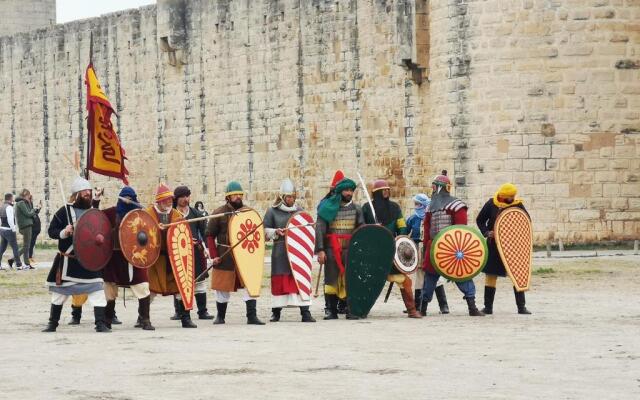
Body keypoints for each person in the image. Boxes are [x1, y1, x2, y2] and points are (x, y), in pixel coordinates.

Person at [42, 176, 110, 332]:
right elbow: (52, 231)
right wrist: (64, 232)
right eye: (85, 192)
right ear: (76, 194)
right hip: (69, 260)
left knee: (97, 289)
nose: (88, 194)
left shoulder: (92, 212)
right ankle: (52, 323)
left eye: (89, 192)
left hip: (89, 261)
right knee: (60, 294)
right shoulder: (64, 211)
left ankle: (100, 323)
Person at [420, 171, 484, 317]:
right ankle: (422, 308)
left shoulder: (456, 205)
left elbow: (461, 231)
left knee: (463, 276)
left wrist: (457, 247)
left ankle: (472, 307)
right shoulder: (430, 208)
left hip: (453, 249)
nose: (433, 190)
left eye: (434, 187)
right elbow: (427, 229)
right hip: (433, 247)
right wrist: (425, 250)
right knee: (429, 278)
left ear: (440, 188)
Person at [206, 181, 265, 325]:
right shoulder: (219, 213)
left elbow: (258, 232)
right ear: (228, 197)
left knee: (249, 283)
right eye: (234, 195)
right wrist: (214, 256)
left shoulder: (248, 212)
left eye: (240, 194)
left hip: (245, 255)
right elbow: (209, 236)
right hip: (225, 255)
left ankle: (252, 316)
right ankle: (220, 316)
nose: (238, 197)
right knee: (222, 286)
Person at [363, 179, 421, 318]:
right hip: (373, 252)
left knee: (404, 281)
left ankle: (412, 310)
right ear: (377, 193)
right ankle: (360, 309)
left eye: (388, 190)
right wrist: (373, 230)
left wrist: (399, 238)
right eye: (384, 190)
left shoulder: (395, 208)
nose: (387, 192)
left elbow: (402, 226)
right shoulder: (366, 208)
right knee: (366, 282)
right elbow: (361, 227)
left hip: (391, 251)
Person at [101, 186, 155, 330]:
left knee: (142, 286)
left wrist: (156, 228)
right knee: (110, 288)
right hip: (114, 257)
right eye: (125, 198)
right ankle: (107, 319)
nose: (127, 201)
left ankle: (145, 320)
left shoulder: (139, 215)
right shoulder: (111, 213)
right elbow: (95, 219)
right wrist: (95, 200)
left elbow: (150, 231)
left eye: (131, 199)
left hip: (134, 257)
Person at [146, 183, 197, 328]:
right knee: (150, 291)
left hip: (174, 258)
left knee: (180, 288)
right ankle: (143, 318)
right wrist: (155, 229)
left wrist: (187, 240)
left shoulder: (176, 215)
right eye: (166, 200)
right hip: (156, 259)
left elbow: (181, 232)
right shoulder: (149, 214)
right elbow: (142, 234)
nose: (169, 202)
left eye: (170, 199)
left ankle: (185, 319)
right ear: (159, 201)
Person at [476, 183, 532, 315]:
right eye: (510, 197)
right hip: (494, 245)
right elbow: (480, 220)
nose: (512, 198)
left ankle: (521, 307)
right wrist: (487, 232)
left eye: (513, 196)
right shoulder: (491, 204)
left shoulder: (517, 205)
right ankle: (488, 307)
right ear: (503, 196)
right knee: (491, 275)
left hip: (512, 245)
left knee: (516, 274)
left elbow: (526, 221)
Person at [264, 179, 315, 323]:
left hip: (298, 252)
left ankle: (305, 312)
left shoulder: (300, 212)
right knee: (281, 281)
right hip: (280, 252)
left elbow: (307, 231)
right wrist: (275, 231)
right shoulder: (272, 211)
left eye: (293, 196)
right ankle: (276, 312)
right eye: (288, 197)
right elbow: (263, 231)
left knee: (300, 279)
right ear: (282, 197)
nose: (291, 199)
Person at [315, 176, 364, 320]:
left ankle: (350, 308)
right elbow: (320, 229)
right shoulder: (327, 208)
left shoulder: (357, 209)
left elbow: (361, 228)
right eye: (346, 190)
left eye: (351, 190)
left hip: (350, 249)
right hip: (331, 248)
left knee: (351, 278)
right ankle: (331, 310)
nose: (349, 193)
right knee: (331, 279)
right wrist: (321, 250)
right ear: (340, 191)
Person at [174, 185, 213, 320]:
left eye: (187, 196)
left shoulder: (195, 213)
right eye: (183, 197)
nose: (186, 199)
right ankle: (179, 312)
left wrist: (206, 249)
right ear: (177, 199)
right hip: (178, 252)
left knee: (199, 282)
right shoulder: (173, 215)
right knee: (180, 282)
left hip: (196, 253)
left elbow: (205, 232)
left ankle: (202, 311)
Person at [406, 193, 449, 315]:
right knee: (420, 276)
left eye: (419, 204)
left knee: (434, 275)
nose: (416, 206)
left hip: (430, 247)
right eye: (415, 204)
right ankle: (417, 305)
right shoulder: (413, 219)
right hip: (418, 248)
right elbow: (405, 232)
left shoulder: (433, 217)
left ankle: (443, 305)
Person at [14, 189, 40, 269]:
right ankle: (13, 259)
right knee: (26, 246)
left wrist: (34, 208)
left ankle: (27, 264)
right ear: (25, 195)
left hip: (26, 226)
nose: (29, 196)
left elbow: (30, 211)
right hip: (26, 226)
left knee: (26, 246)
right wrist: (35, 209)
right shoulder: (21, 203)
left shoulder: (23, 202)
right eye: (28, 195)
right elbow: (28, 214)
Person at [0, 193, 25, 270]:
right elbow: (10, 220)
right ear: (10, 199)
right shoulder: (9, 207)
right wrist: (13, 229)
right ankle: (18, 265)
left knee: (2, 248)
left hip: (2, 229)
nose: (13, 200)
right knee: (15, 248)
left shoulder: (2, 207)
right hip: (9, 230)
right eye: (12, 198)